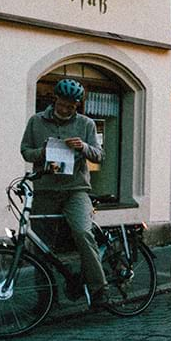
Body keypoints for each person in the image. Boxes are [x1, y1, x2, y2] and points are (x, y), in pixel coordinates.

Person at [20, 79, 109, 308]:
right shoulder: (36, 121)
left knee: (82, 234)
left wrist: (84, 147)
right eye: (63, 105)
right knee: (40, 246)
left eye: (72, 106)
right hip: (45, 190)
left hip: (75, 190)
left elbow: (99, 156)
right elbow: (26, 152)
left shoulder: (86, 124)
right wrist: (45, 151)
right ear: (55, 100)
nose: (66, 110)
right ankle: (46, 300)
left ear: (77, 105)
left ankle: (99, 290)